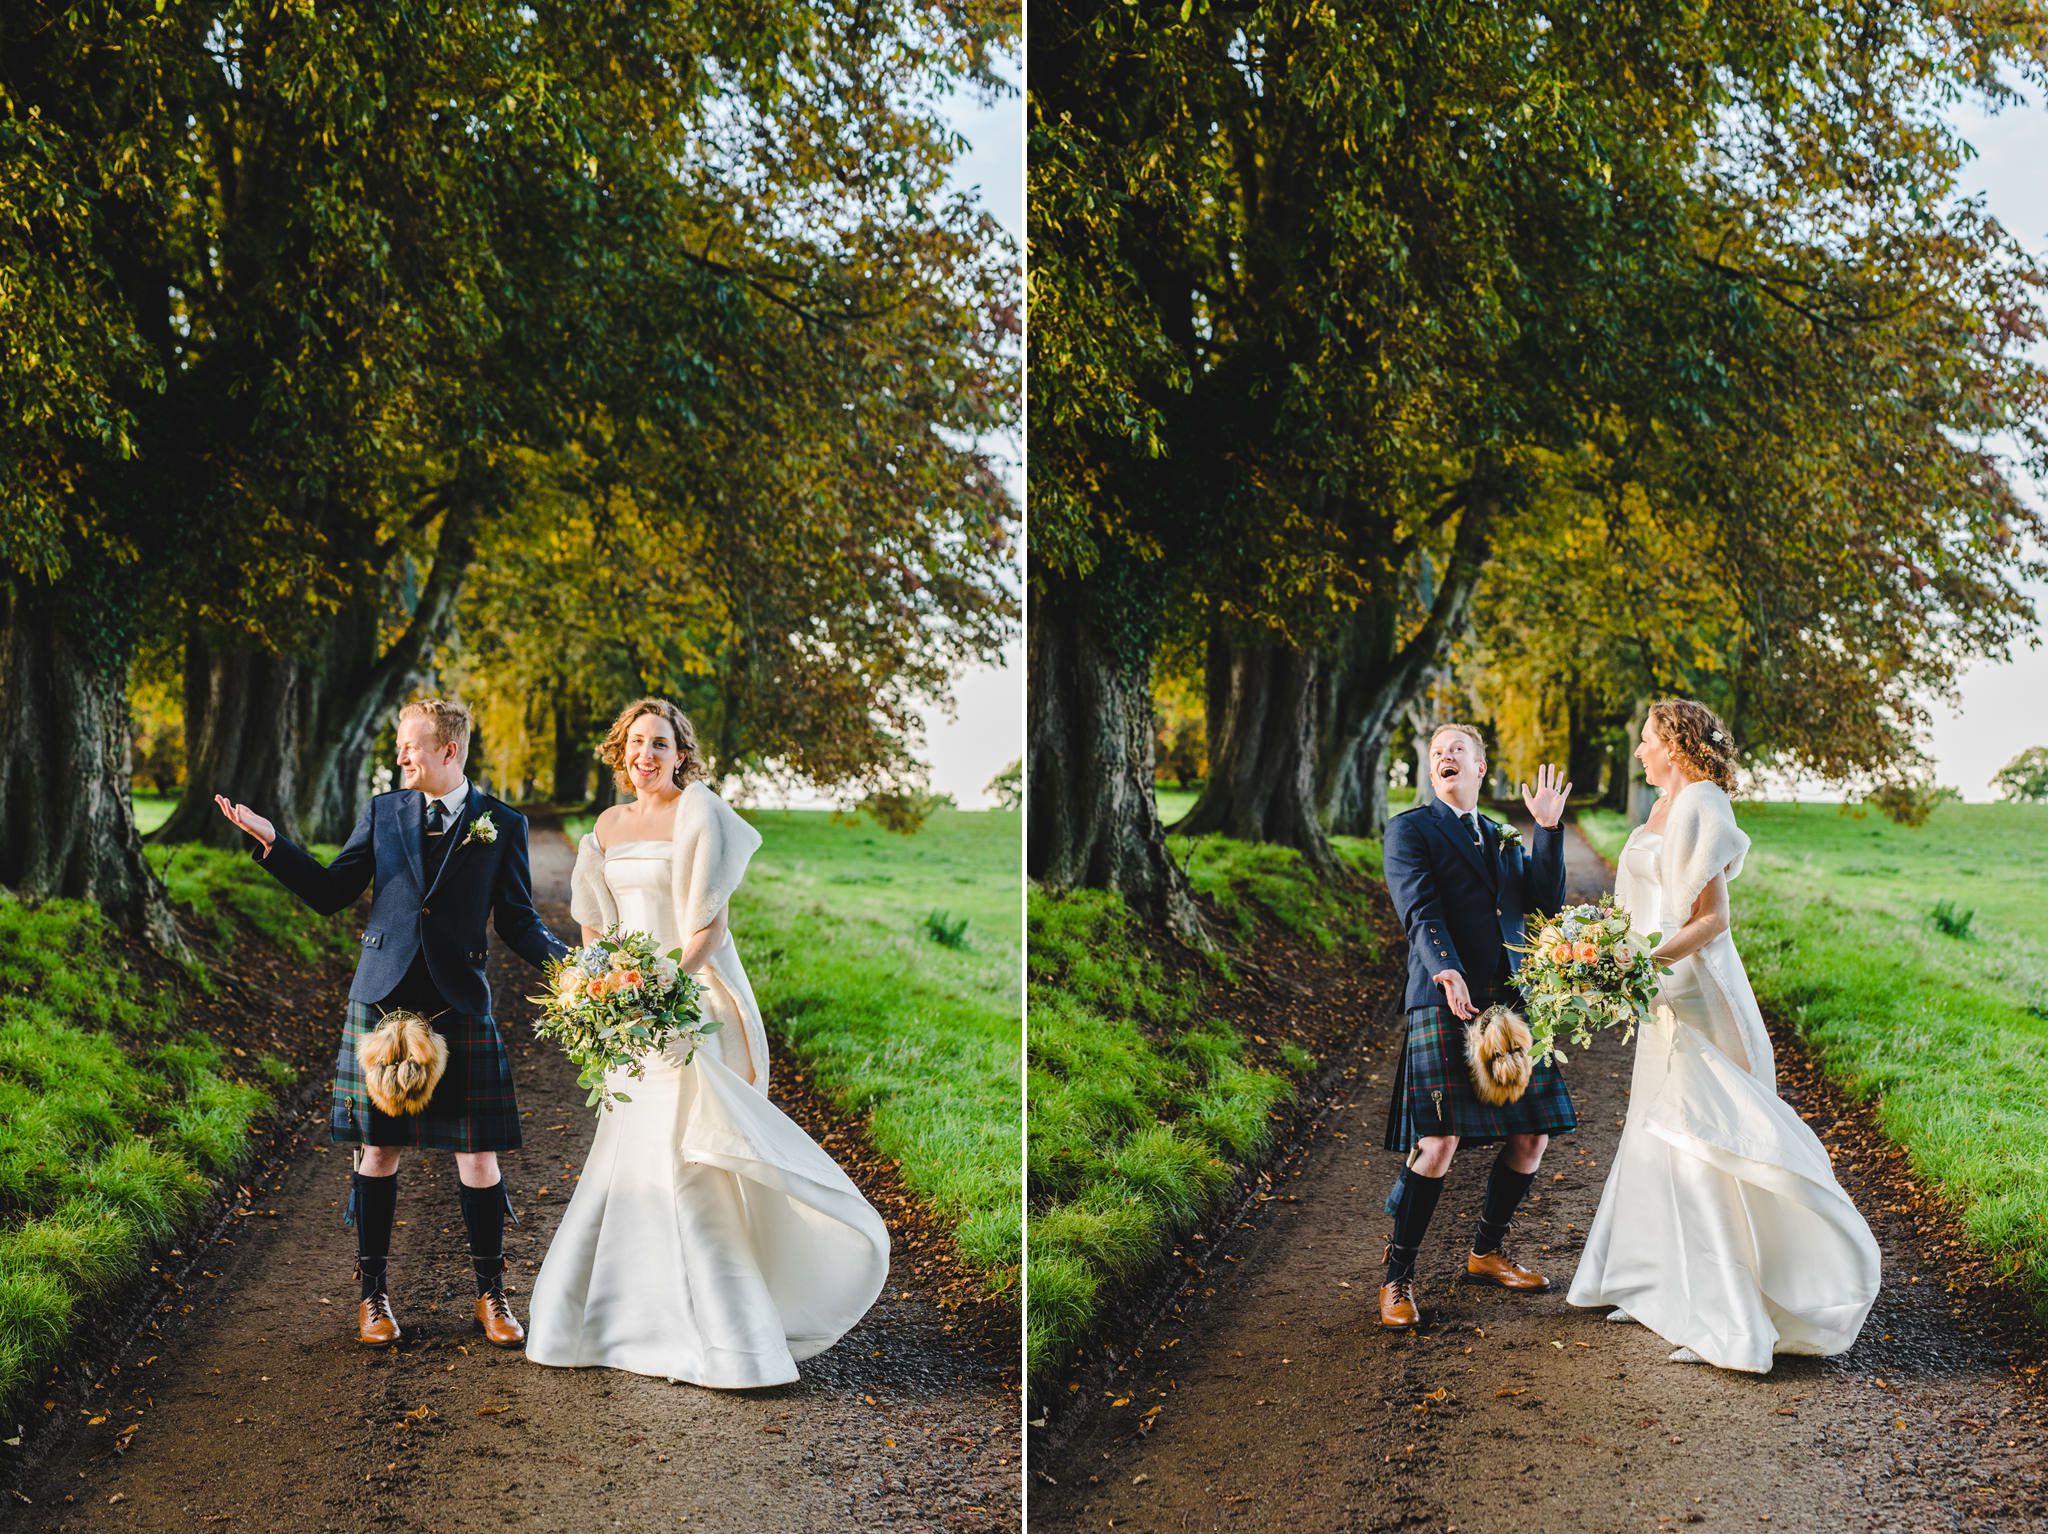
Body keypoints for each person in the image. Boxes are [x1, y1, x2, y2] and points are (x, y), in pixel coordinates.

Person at [524, 698, 890, 1387]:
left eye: (660, 743)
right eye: (636, 743)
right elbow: (595, 926)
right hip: (625, 1017)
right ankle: (611, 1321)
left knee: (690, 1157)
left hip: (682, 1005)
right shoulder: (604, 827)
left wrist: (662, 987)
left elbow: (708, 930)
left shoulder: (700, 814)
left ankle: (728, 1339)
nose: (646, 755)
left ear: (681, 752)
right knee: (625, 1155)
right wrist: (599, 989)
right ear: (620, 750)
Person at [215, 698, 570, 1348]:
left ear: (448, 751)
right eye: (400, 746)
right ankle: (372, 1297)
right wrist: (274, 843)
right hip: (382, 1003)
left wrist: (571, 968)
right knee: (378, 1150)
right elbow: (331, 892)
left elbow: (519, 920)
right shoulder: (384, 812)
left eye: (411, 746)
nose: (400, 756)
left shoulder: (502, 824)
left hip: (457, 1002)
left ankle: (491, 1296)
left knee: (478, 1155)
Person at [1567, 701, 1879, 1370]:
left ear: (1676, 745)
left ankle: (1728, 1316)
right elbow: (1643, 903)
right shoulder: (1659, 808)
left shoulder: (1704, 804)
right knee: (1654, 1131)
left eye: (1648, 742)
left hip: (1698, 995)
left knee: (1701, 1140)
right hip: (1659, 994)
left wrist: (1643, 961)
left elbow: (1713, 918)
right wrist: (1608, 955)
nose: (1639, 754)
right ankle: (1654, 1283)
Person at [1377, 723, 1576, 1328]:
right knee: (1438, 1142)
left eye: (1456, 751)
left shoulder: (1501, 834)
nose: (1444, 758)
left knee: (1531, 1135)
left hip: (1509, 998)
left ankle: (1486, 1252)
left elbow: (1543, 904)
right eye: (1437, 753)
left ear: (1480, 767)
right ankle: (1396, 1280)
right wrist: (1446, 969)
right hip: (1444, 997)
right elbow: (1418, 906)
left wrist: (1546, 830)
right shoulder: (1411, 829)